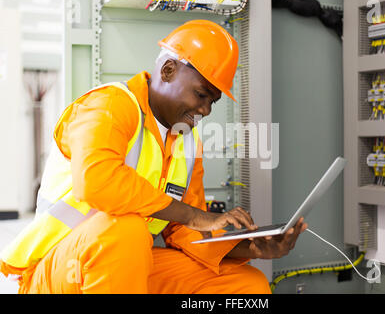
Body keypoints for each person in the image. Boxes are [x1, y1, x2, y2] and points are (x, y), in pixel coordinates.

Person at [0, 20, 308, 294]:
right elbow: (97, 183)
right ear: (168, 70)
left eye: (212, 102)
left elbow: (187, 232)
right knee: (126, 232)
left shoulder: (187, 142)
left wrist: (249, 248)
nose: (205, 111)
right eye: (202, 94)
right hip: (56, 272)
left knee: (245, 285)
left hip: (126, 266)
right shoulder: (109, 105)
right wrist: (194, 215)